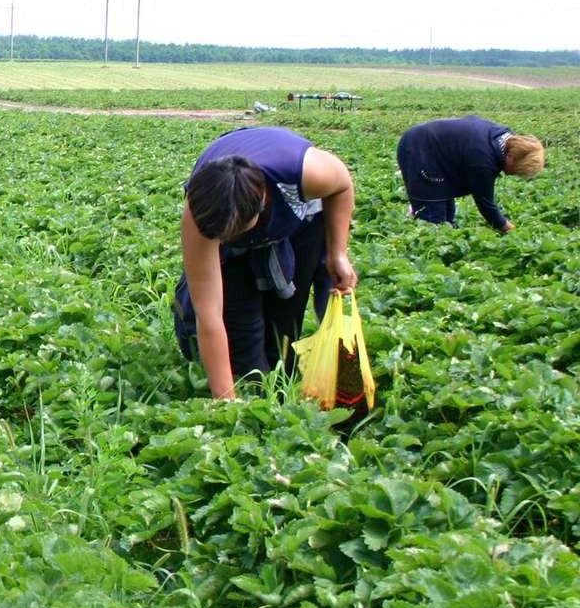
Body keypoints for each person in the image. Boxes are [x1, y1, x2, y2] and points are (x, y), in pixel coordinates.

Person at [173, 126, 357, 400]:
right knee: (241, 338)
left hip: (300, 222)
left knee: (285, 322)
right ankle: (257, 387)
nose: (226, 238)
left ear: (260, 206)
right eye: (222, 236)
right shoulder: (202, 214)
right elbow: (208, 314)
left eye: (235, 232)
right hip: (232, 214)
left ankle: (284, 378)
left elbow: (342, 184)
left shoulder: (305, 174)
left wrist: (337, 253)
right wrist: (226, 402)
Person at [395, 116, 544, 232]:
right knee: (434, 221)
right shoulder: (484, 158)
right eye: (517, 170)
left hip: (433, 153)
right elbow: (484, 201)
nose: (513, 174)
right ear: (511, 157)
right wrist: (505, 227)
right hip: (417, 150)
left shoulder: (501, 137)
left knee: (447, 219)